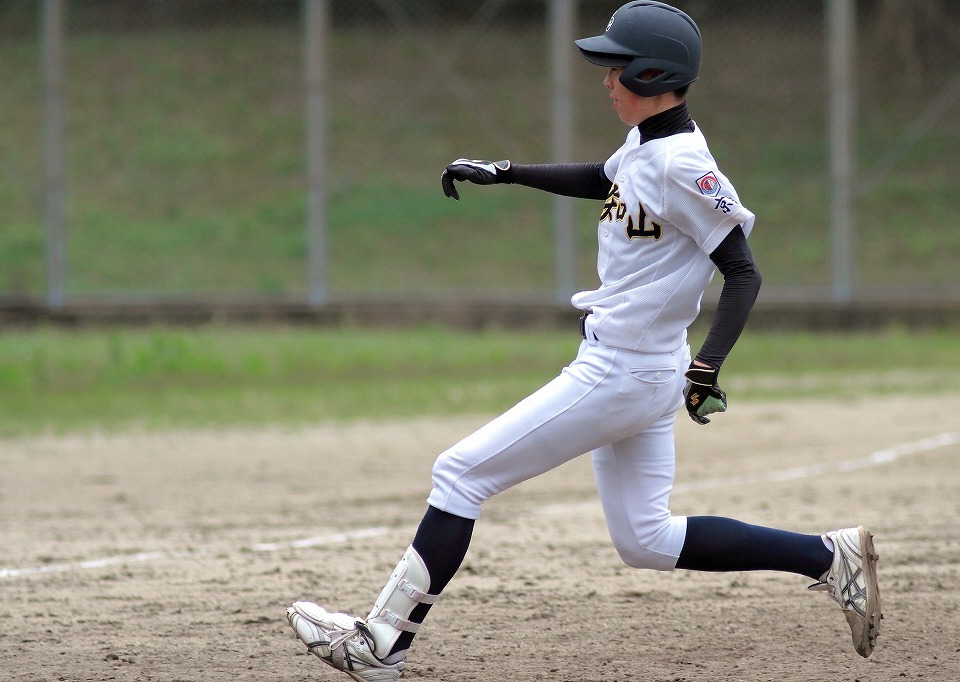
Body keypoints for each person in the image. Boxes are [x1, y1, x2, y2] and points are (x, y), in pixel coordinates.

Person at [286, 2, 881, 679]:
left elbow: (743, 271)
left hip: (625, 372)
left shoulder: (684, 164)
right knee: (646, 539)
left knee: (460, 473)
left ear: (655, 72)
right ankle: (828, 557)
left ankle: (383, 643)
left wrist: (709, 365)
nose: (605, 78)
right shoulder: (647, 145)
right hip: (638, 368)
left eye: (616, 66)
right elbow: (606, 178)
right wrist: (507, 172)